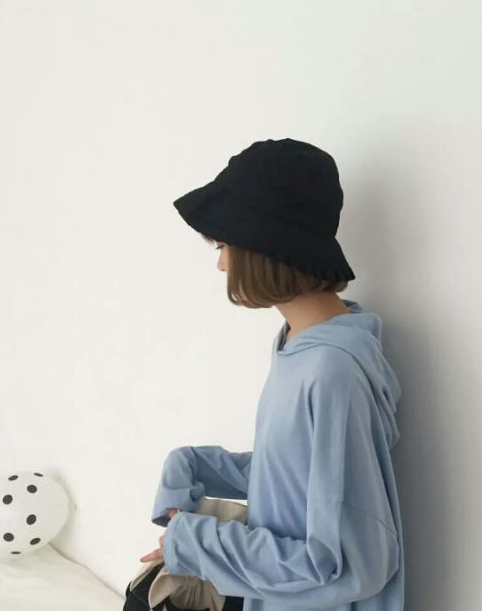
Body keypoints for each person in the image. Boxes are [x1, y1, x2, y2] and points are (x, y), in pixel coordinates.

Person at [144, 138, 404, 611]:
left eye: (223, 245)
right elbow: (298, 481)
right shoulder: (298, 342)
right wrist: (195, 466)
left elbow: (350, 563)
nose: (221, 263)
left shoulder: (332, 372)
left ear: (263, 244)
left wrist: (194, 542)